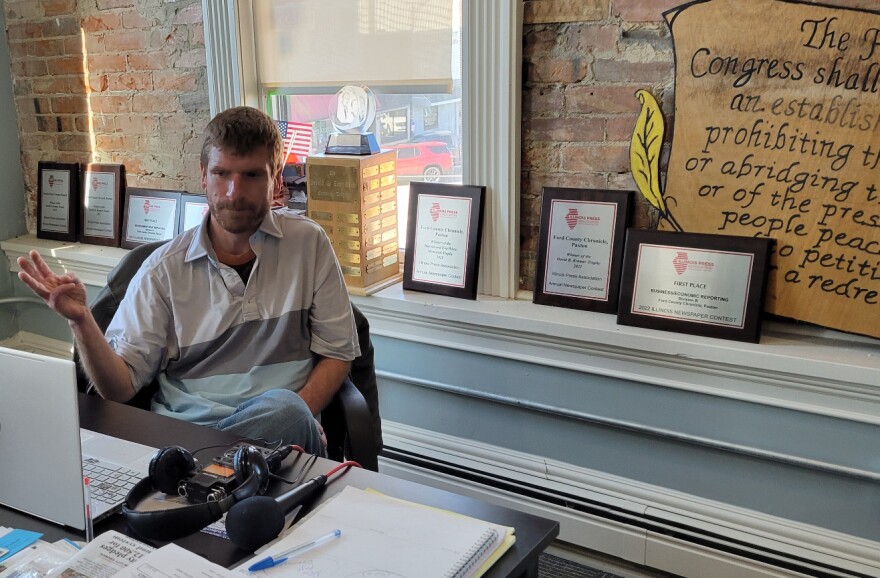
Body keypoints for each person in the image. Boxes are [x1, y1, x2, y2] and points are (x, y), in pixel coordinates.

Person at [17, 106, 360, 456]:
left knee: (284, 412)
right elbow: (118, 389)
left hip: (276, 442)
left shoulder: (309, 244)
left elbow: (338, 353)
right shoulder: (163, 270)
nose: (233, 192)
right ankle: (204, 474)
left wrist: (300, 411)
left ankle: (199, 479)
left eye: (252, 175)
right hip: (186, 437)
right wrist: (81, 320)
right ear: (203, 175)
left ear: (275, 179)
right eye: (222, 173)